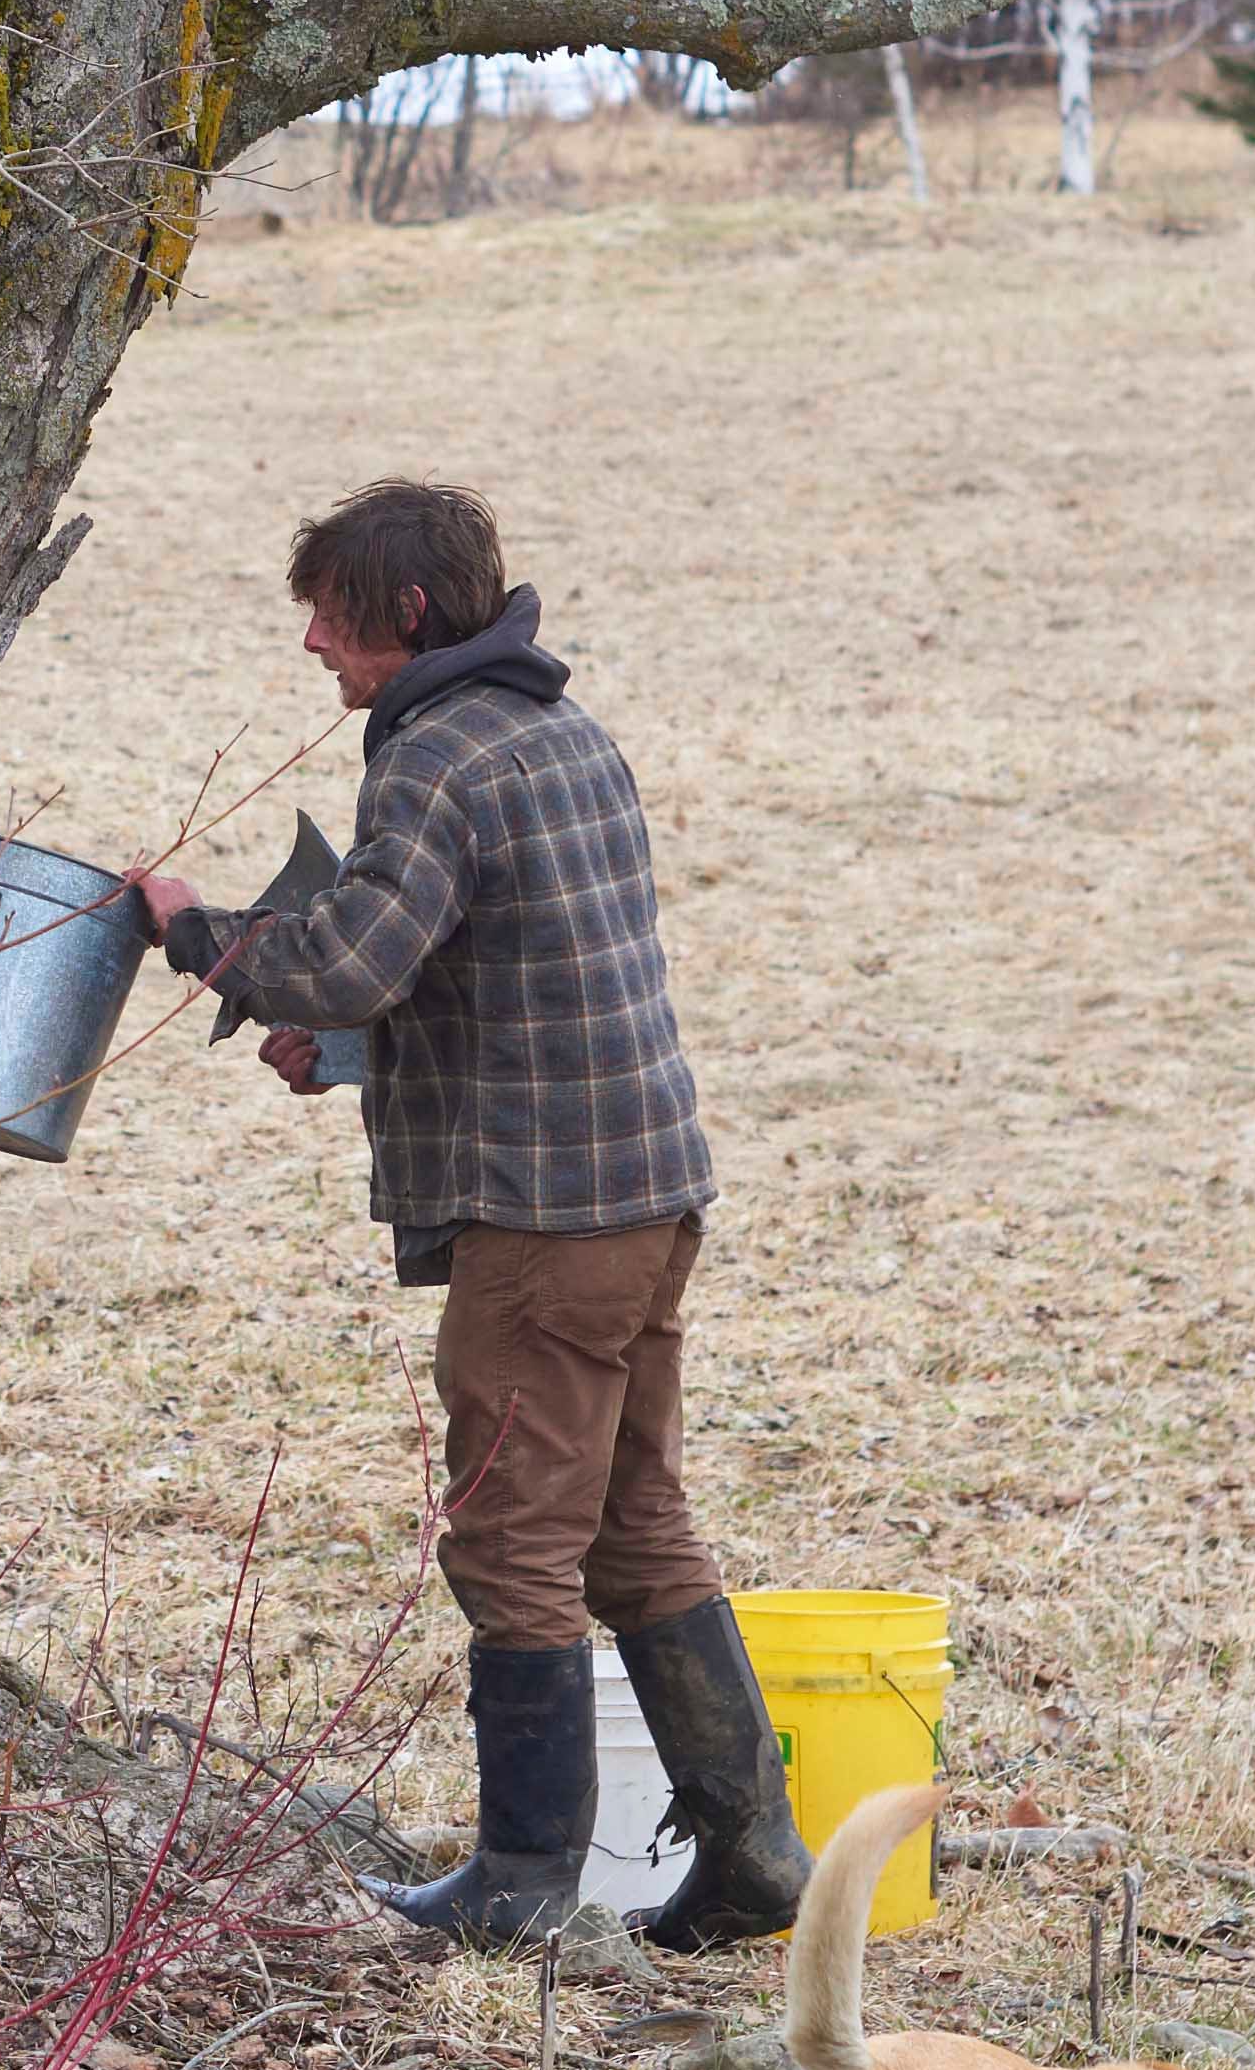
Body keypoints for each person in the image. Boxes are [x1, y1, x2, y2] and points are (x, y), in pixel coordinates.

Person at [128, 482, 810, 1950]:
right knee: (635, 1524)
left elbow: (356, 955)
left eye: (332, 617)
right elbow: (511, 960)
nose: (313, 643)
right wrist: (364, 1042)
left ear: (411, 617)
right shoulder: (563, 734)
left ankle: (517, 1887)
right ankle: (758, 1863)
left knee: (512, 1542)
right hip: (647, 1192)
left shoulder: (434, 759)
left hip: (545, 1221)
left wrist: (195, 933)